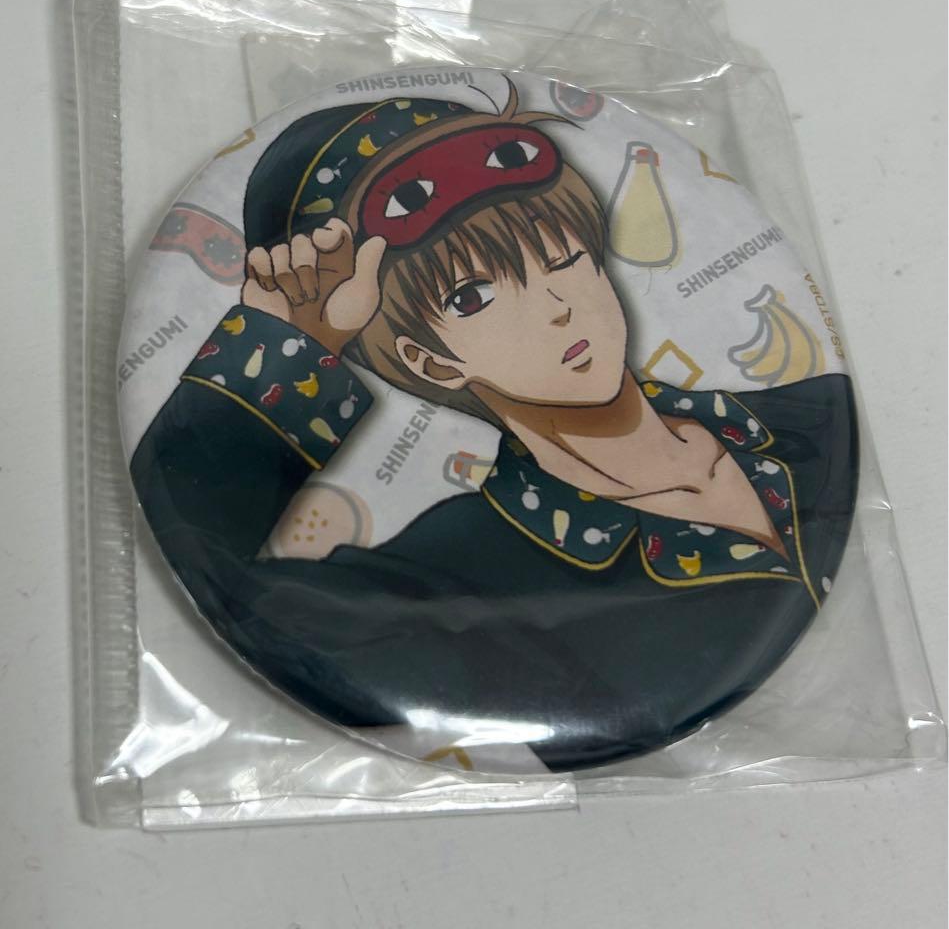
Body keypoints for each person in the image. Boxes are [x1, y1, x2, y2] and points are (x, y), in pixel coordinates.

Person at [131, 82, 857, 770]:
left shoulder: (811, 415)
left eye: (562, 256)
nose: (557, 307)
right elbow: (227, 581)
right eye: (473, 296)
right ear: (429, 360)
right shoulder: (454, 578)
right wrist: (289, 345)